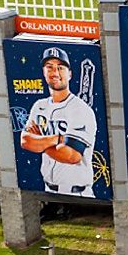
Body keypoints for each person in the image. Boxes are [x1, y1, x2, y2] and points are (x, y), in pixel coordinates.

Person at [20, 47, 96, 196]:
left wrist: (40, 144)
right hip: (48, 190)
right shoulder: (39, 106)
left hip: (78, 194)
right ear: (44, 72)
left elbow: (71, 155)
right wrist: (58, 139)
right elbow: (25, 141)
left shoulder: (80, 109)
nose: (55, 72)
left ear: (70, 74)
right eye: (50, 67)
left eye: (60, 68)